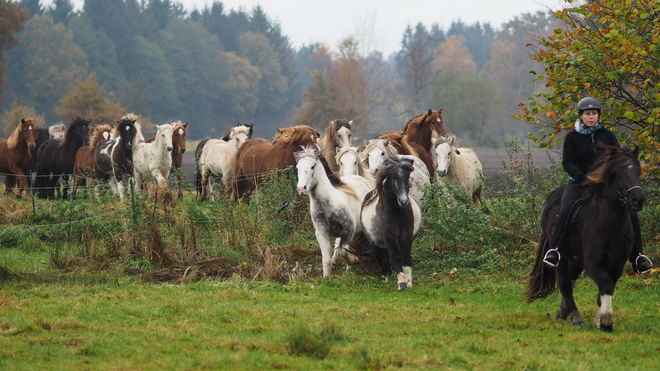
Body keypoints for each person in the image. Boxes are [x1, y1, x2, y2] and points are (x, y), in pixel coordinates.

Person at [542, 97, 653, 274]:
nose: (591, 117)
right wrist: (582, 178)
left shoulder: (607, 135)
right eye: (587, 114)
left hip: (604, 186)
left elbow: (617, 161)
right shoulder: (572, 137)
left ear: (598, 115)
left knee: (630, 213)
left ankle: (638, 256)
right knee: (565, 210)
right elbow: (568, 162)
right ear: (581, 116)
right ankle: (554, 250)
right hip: (579, 183)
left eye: (594, 113)